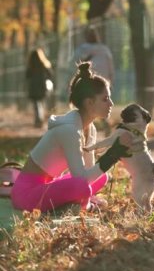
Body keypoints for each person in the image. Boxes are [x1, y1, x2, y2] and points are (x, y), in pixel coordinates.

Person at [11, 62, 132, 213]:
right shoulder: (69, 131)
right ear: (89, 103)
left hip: (49, 185)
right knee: (81, 186)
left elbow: (88, 170)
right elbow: (81, 180)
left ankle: (76, 201)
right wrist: (114, 153)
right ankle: (81, 204)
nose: (111, 104)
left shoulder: (90, 129)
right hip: (26, 195)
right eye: (105, 99)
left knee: (102, 177)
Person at [73, 27, 114, 135]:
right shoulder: (104, 49)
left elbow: (77, 62)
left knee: (92, 104)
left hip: (90, 82)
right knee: (100, 104)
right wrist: (111, 79)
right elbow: (110, 66)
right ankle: (99, 126)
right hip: (103, 82)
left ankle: (89, 129)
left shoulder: (82, 48)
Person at [26, 48, 54, 128]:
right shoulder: (44, 64)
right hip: (42, 87)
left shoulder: (31, 65)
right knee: (41, 103)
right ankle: (40, 119)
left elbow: (27, 75)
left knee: (36, 104)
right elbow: (50, 74)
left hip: (33, 88)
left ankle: (38, 119)